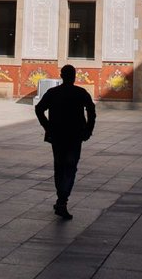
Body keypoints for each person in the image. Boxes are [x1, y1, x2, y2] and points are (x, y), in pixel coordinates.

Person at [35, 64, 96, 220]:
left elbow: (39, 109)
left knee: (59, 167)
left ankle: (61, 199)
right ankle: (62, 200)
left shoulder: (53, 93)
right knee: (70, 167)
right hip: (75, 136)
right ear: (74, 77)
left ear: (61, 76)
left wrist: (48, 126)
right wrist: (88, 130)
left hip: (57, 136)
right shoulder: (80, 93)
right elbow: (91, 111)